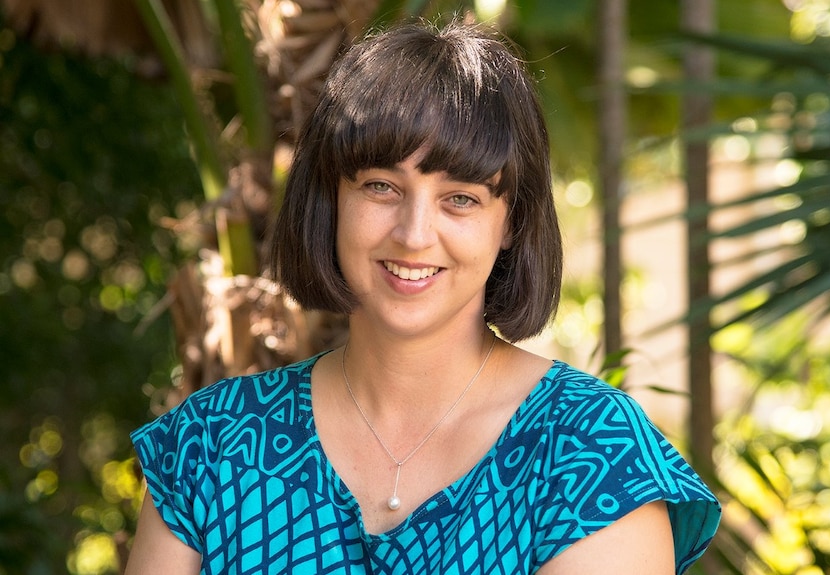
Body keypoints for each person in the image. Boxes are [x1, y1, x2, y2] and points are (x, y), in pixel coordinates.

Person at [126, 19, 721, 575]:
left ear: (510, 221)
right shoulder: (210, 445)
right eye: (382, 187)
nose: (413, 235)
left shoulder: (591, 451)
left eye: (460, 198)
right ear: (332, 200)